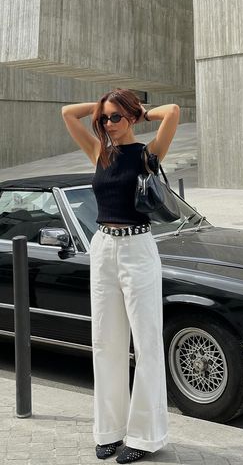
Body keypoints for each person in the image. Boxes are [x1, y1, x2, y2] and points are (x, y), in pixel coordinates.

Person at [61, 89, 180, 463]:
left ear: (129, 117)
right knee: (105, 341)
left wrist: (141, 114)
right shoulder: (100, 151)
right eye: (103, 119)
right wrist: (100, 106)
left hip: (137, 249)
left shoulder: (147, 154)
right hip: (103, 247)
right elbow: (67, 112)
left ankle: (144, 437)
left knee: (146, 343)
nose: (107, 124)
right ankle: (109, 431)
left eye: (115, 117)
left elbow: (173, 111)